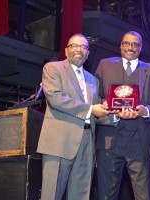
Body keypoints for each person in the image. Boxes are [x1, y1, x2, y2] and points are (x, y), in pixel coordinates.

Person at [37, 33, 111, 200]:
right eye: (74, 46)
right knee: (52, 194)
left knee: (81, 194)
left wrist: (116, 114)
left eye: (83, 47)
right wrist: (91, 109)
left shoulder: (93, 80)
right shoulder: (52, 68)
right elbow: (56, 99)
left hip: (86, 143)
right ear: (66, 50)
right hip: (59, 141)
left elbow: (98, 111)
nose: (79, 49)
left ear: (88, 53)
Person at [95, 31, 150, 200]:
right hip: (109, 139)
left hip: (139, 140)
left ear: (141, 48)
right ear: (120, 45)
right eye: (126, 43)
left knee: (143, 195)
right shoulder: (105, 65)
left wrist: (145, 110)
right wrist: (107, 106)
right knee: (105, 194)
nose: (130, 47)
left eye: (135, 44)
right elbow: (96, 96)